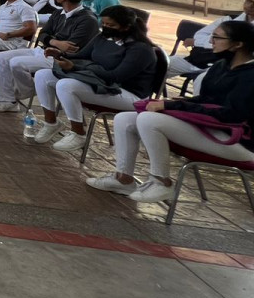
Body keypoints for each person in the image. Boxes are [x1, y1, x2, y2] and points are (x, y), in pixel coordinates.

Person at [90, 20, 254, 201]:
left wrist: (171, 106)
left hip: (238, 142)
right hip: (212, 128)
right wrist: (177, 102)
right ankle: (123, 179)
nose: (211, 42)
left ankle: (161, 182)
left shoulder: (250, 75)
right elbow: (207, 101)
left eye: (217, 37)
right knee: (125, 119)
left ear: (238, 44)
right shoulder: (220, 67)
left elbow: (230, 114)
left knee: (148, 120)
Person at [31, 5, 158, 153]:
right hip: (103, 83)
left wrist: (74, 67)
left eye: (111, 25)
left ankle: (78, 134)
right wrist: (59, 54)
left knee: (66, 85)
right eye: (104, 23)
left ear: (126, 27)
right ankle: (51, 123)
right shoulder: (103, 37)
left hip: (127, 93)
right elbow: (82, 55)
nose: (105, 27)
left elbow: (116, 76)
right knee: (43, 75)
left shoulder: (140, 49)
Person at [0, 0, 98, 113]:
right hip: (42, 50)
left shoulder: (87, 20)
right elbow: (42, 34)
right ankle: (10, 99)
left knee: (16, 63)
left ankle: (26, 91)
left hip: (60, 59)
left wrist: (51, 42)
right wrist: (55, 42)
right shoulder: (59, 13)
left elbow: (70, 47)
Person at [167, 0, 254, 80]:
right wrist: (221, 42)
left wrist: (196, 42)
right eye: (248, 1)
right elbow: (199, 35)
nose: (250, 6)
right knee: (162, 63)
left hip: (224, 67)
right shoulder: (228, 19)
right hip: (197, 59)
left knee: (202, 80)